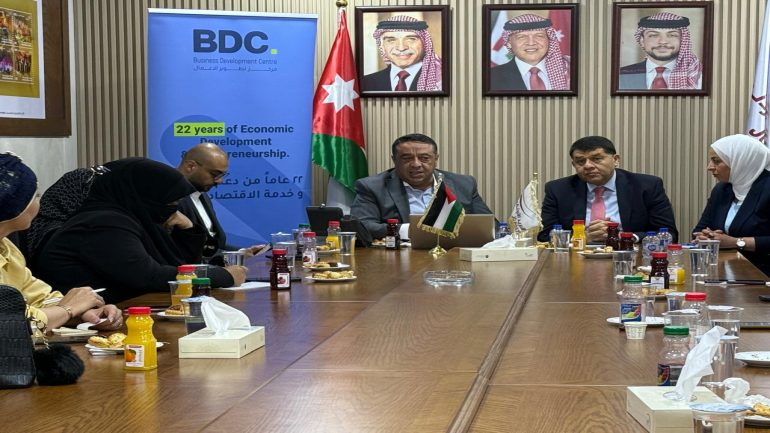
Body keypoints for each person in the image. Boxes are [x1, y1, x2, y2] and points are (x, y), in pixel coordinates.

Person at [35, 157, 247, 304]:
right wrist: (223, 276)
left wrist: (188, 229)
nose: (173, 208)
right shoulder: (102, 224)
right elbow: (150, 276)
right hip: (86, 323)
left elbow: (179, 263)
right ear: (143, 195)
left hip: (116, 310)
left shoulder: (132, 217)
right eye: (169, 201)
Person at [0, 153, 122, 331]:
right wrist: (68, 309)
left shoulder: (6, 247)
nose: (40, 201)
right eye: (35, 195)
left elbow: (37, 297)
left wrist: (84, 311)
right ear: (16, 207)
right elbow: (10, 323)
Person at [350, 133, 493, 239]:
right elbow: (361, 226)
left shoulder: (463, 184)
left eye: (424, 158)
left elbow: (489, 224)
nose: (416, 164)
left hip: (454, 253)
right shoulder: (372, 187)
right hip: (400, 257)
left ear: (436, 159)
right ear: (394, 160)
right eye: (407, 158)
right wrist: (410, 230)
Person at [538, 136, 678, 243]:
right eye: (580, 161)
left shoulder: (647, 186)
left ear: (615, 160)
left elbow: (669, 234)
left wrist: (626, 237)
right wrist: (582, 237)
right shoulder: (558, 190)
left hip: (630, 255)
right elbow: (545, 236)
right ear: (574, 164)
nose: (588, 166)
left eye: (596, 159)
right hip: (576, 258)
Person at [693, 135, 770, 276]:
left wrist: (736, 242)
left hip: (762, 273)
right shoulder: (722, 189)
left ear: (741, 161)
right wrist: (705, 237)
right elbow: (699, 229)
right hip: (722, 272)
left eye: (716, 161)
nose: (709, 167)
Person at [176, 143, 265, 261]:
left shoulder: (203, 196)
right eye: (215, 174)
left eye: (222, 175)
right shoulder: (170, 198)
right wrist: (235, 257)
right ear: (190, 166)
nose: (220, 181)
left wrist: (243, 252)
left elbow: (212, 247)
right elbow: (182, 250)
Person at [619, 12, 702, 90]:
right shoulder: (620, 75)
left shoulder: (698, 75)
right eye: (653, 35)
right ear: (642, 41)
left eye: (672, 35)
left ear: (683, 40)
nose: (663, 41)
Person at [489, 14, 570, 91]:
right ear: (509, 43)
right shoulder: (491, 77)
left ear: (549, 40)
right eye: (522, 37)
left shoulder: (569, 71)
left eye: (539, 36)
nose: (531, 43)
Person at [362, 15, 442, 92]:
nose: (401, 48)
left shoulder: (441, 80)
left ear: (425, 44)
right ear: (382, 47)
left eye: (411, 39)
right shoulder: (365, 82)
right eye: (391, 40)